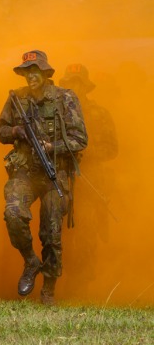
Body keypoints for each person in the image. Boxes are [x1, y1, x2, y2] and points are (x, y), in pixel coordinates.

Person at [0, 51, 88, 305]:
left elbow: (80, 139)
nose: (31, 76)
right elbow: (1, 131)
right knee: (13, 213)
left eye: (35, 71)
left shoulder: (65, 98)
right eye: (27, 72)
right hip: (24, 171)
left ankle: (48, 288)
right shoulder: (16, 98)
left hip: (54, 172)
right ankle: (30, 260)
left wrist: (51, 146)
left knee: (51, 233)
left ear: (47, 73)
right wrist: (16, 130)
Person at [59, 64, 118, 294]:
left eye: (77, 83)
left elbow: (113, 149)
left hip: (90, 183)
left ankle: (79, 288)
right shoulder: (57, 113)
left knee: (85, 237)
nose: (73, 87)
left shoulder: (100, 114)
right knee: (57, 235)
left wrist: (86, 152)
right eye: (69, 83)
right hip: (62, 181)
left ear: (85, 87)